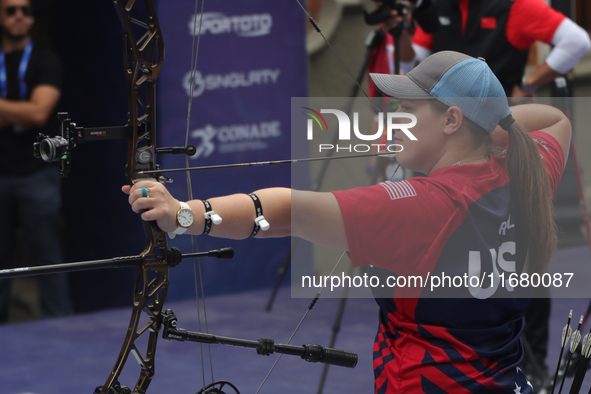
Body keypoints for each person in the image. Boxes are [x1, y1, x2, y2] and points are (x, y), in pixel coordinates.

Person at [124, 51, 571, 393]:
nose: (395, 121)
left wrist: (184, 214)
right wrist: (494, 129)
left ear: (453, 119)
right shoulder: (527, 172)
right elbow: (556, 120)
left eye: (410, 112)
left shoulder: (420, 206)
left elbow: (282, 210)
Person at [0, 0, 73, 323]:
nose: (19, 16)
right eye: (11, 10)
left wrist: (16, 111)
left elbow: (38, 112)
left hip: (37, 174)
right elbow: (27, 111)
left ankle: (62, 327)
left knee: (47, 256)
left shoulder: (45, 60)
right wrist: (19, 110)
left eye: (26, 11)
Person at [402, 0, 591, 97]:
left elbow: (577, 41)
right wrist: (400, 33)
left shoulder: (513, 5)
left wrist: (528, 83)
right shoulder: (436, 6)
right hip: (444, 120)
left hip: (496, 124)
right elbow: (413, 68)